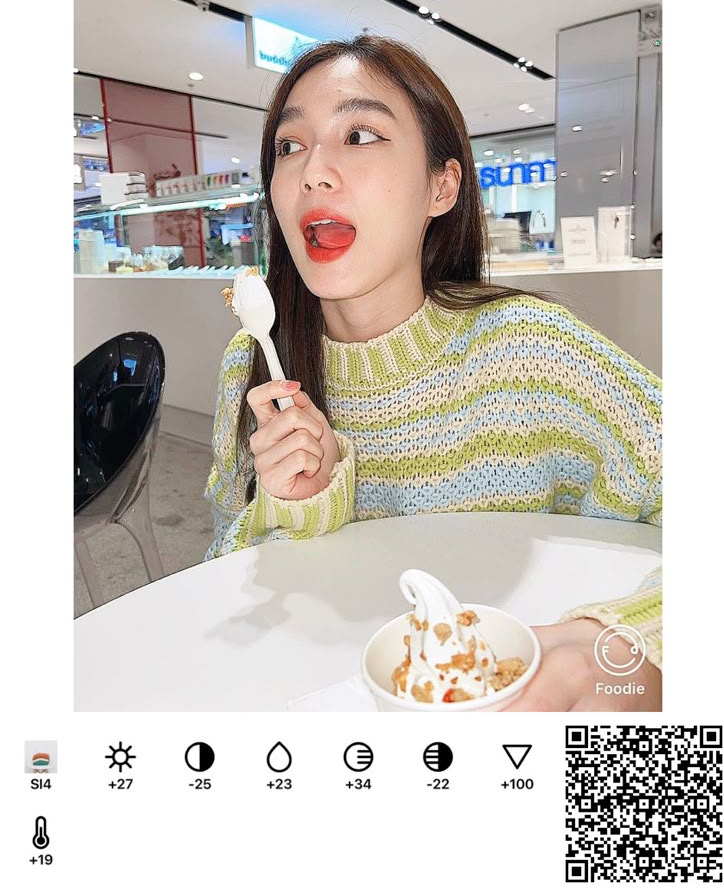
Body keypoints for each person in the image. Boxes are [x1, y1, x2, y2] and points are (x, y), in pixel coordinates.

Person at [204, 36, 662, 711]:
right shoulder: (252, 365)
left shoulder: (529, 352)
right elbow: (221, 572)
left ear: (441, 187)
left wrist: (625, 644)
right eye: (289, 146)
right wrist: (302, 501)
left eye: (359, 134)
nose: (314, 172)